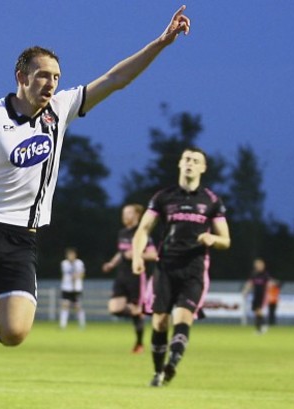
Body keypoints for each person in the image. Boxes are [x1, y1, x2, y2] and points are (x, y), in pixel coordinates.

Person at [0, 6, 192, 408]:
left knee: (14, 333)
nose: (51, 84)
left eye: (56, 77)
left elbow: (116, 79)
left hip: (22, 238)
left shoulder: (59, 111)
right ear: (21, 77)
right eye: (42, 76)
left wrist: (161, 43)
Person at [132, 147, 231, 387]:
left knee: (183, 317)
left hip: (194, 270)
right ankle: (158, 372)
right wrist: (137, 256)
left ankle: (172, 365)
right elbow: (143, 229)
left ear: (203, 168)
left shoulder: (211, 200)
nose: (190, 163)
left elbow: (226, 240)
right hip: (165, 268)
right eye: (186, 159)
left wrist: (213, 240)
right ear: (179, 164)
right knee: (159, 322)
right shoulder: (163, 197)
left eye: (196, 160)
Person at [102, 204, 158, 353]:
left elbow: (153, 255)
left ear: (137, 215)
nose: (125, 216)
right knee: (114, 308)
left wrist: (137, 255)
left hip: (136, 277)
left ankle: (139, 344)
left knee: (135, 310)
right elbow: (121, 252)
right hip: (121, 276)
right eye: (123, 213)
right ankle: (139, 312)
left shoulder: (142, 234)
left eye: (128, 213)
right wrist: (111, 264)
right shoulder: (122, 233)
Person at [242, 258, 272, 334]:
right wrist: (245, 291)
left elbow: (269, 284)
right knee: (256, 311)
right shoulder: (254, 274)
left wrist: (268, 292)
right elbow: (250, 283)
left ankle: (264, 325)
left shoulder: (265, 274)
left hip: (262, 295)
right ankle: (259, 329)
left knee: (258, 310)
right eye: (257, 265)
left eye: (260, 265)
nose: (258, 266)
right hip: (256, 294)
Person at [59, 247, 86, 330]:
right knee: (65, 305)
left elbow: (82, 274)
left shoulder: (79, 263)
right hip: (66, 288)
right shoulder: (64, 263)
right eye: (69, 255)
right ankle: (63, 325)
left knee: (77, 306)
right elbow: (65, 274)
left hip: (76, 288)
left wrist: (77, 276)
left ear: (75, 255)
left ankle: (82, 324)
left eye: (72, 254)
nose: (71, 256)